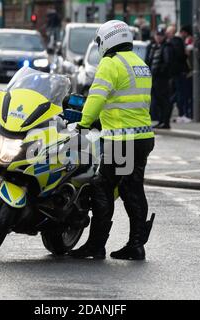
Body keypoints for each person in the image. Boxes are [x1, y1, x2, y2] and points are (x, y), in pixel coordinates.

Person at [69, 20, 155, 260]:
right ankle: (136, 245)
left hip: (121, 139)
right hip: (143, 137)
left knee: (102, 186)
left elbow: (96, 98)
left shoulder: (110, 63)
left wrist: (84, 123)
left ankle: (96, 245)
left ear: (107, 40)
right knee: (131, 188)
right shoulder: (140, 64)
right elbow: (128, 102)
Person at [147, 27, 173, 129]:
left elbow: (167, 63)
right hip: (154, 78)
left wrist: (160, 72)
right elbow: (149, 61)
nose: (158, 37)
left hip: (162, 79)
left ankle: (165, 122)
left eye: (160, 35)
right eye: (157, 35)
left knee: (164, 100)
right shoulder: (153, 47)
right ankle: (161, 121)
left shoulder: (167, 47)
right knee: (157, 100)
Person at [166, 25, 189, 123]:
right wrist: (185, 55)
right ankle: (181, 114)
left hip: (172, 72)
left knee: (175, 93)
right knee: (180, 93)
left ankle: (173, 111)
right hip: (179, 71)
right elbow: (181, 56)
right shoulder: (178, 42)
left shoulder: (169, 43)